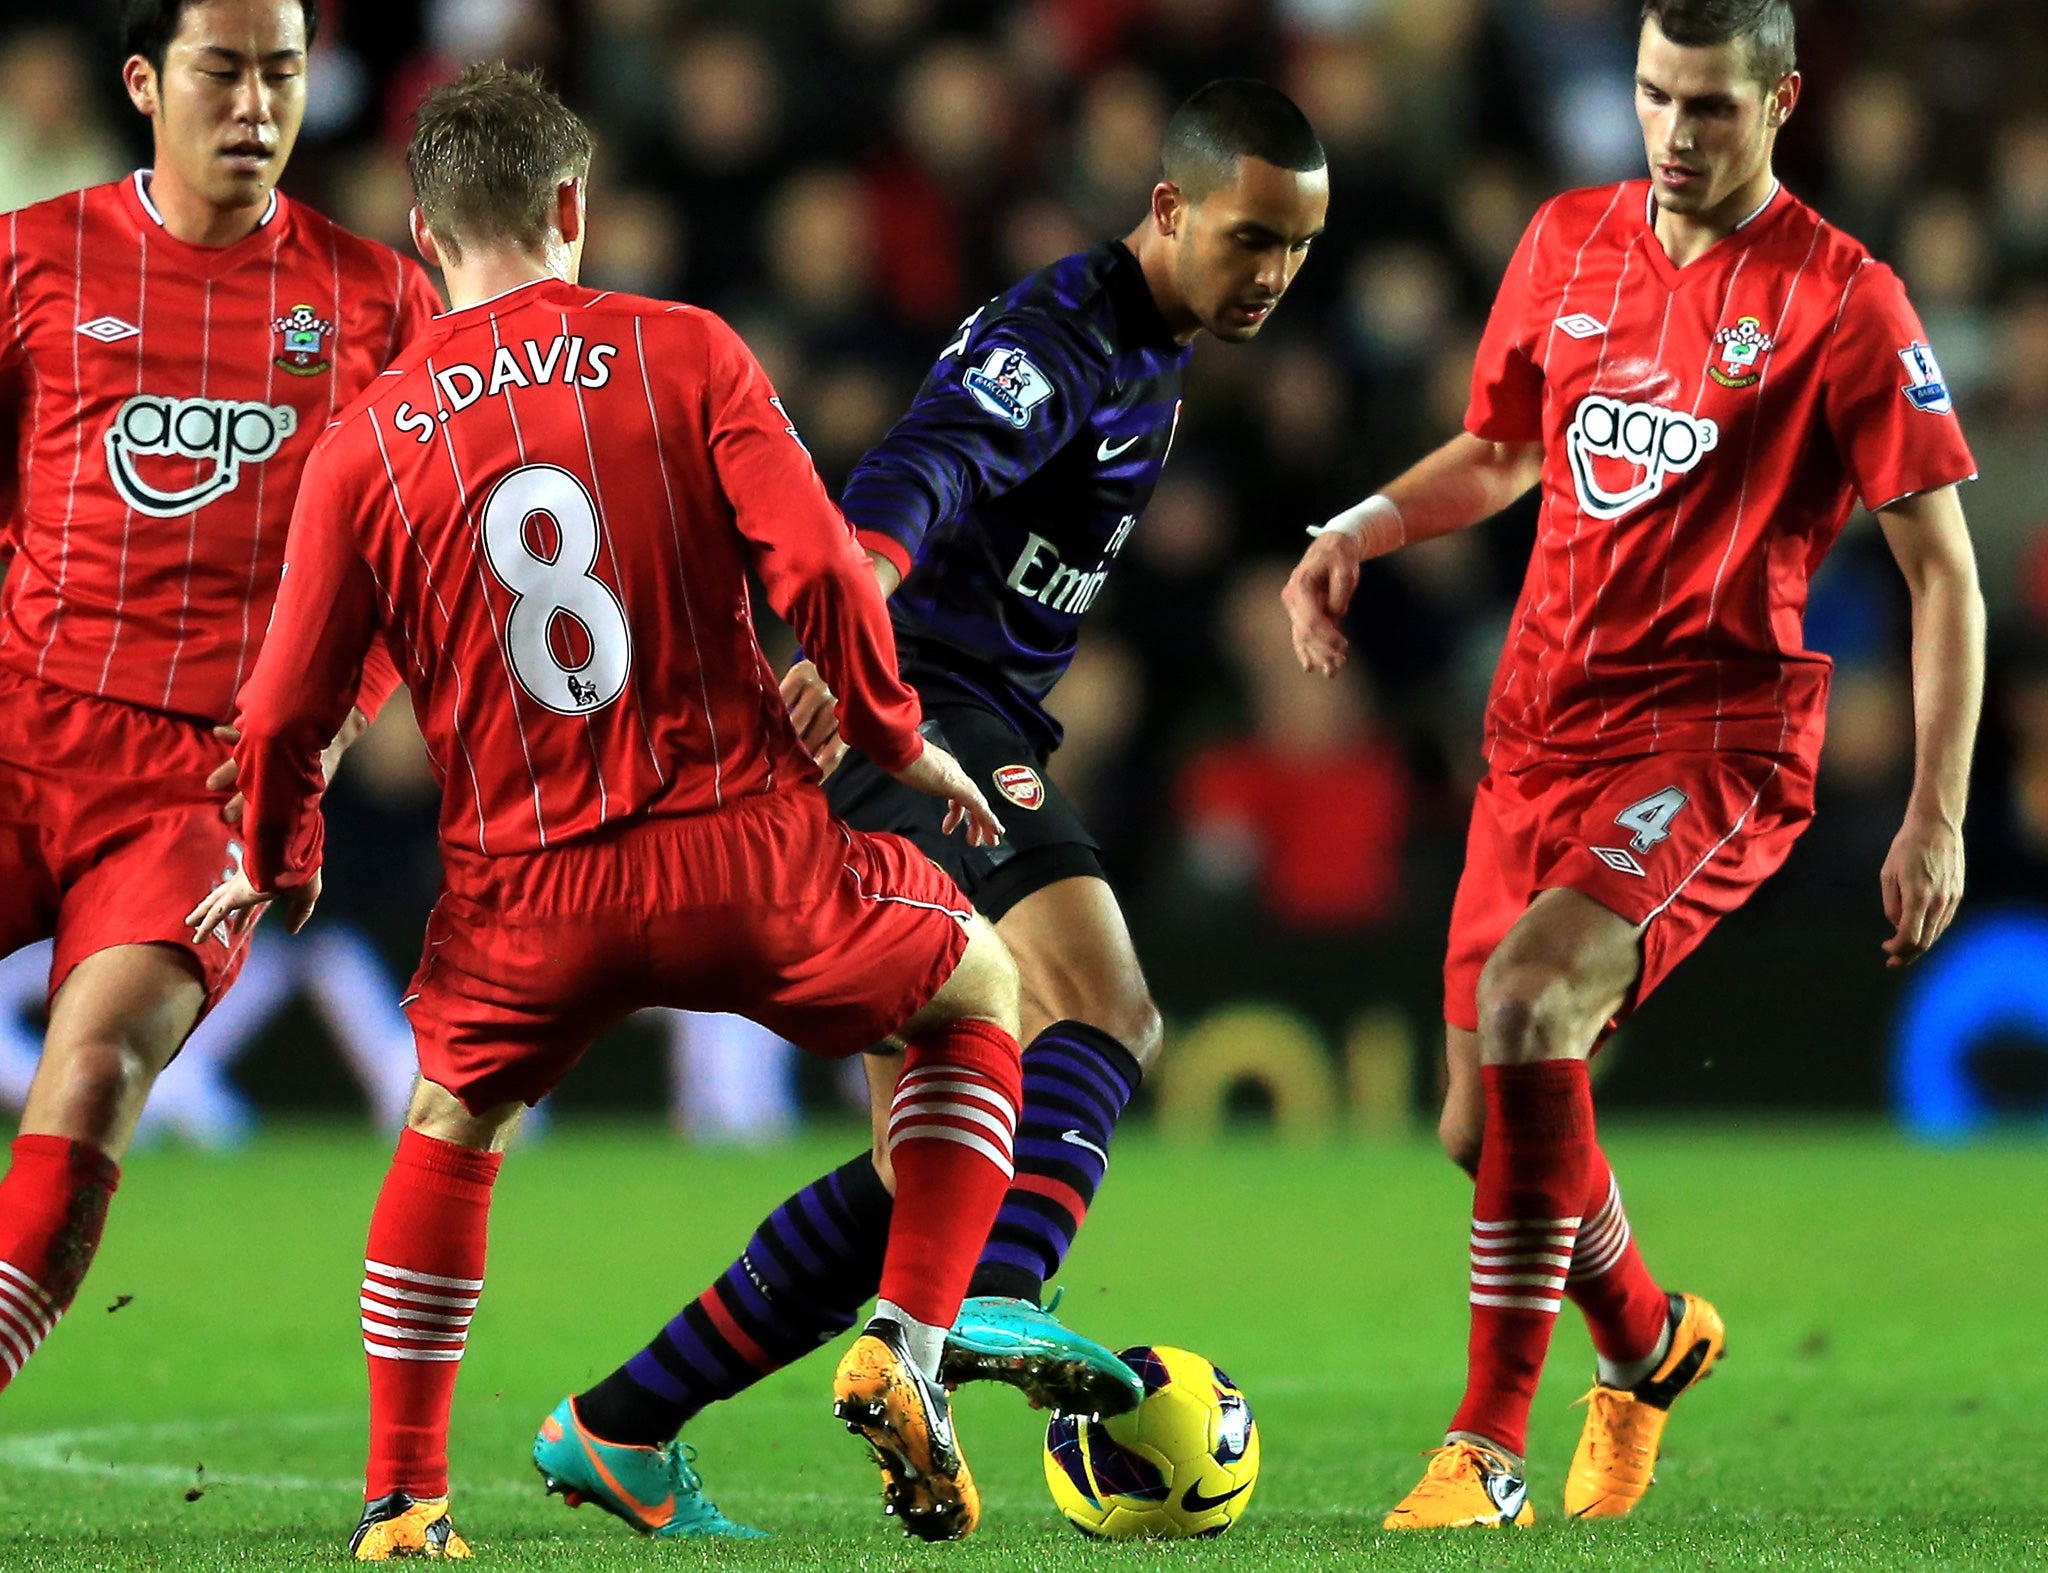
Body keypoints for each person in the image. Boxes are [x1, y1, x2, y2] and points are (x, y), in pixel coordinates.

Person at [187, 63, 1028, 1557]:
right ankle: (905, 1340)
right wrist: (892, 731)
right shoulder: (682, 352)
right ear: (575, 205)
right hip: (745, 856)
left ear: (424, 233)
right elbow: (827, 575)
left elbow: (279, 716)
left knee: (451, 1123)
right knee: (980, 987)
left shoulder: (365, 443)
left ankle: (404, 1503)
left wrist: (274, 856)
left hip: (526, 893)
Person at [534, 77, 1330, 1541]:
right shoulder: (1064, 334)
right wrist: (859, 636)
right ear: (1167, 209)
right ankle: (1003, 1297)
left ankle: (619, 1424)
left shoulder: (1159, 344)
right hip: (913, 705)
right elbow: (923, 469)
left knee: (928, 1161)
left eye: (1296, 247)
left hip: (951, 707)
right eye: (1248, 239)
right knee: (1105, 1006)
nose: (1272, 274)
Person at [1284, 0, 1982, 1530]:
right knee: (1485, 1128)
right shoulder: (1565, 241)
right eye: (1657, 97)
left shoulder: (1845, 300)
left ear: (1783, 100)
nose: (1674, 133)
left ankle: (1487, 1447)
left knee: (1536, 1004)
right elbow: (1502, 448)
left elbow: (1945, 573)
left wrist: (1934, 809)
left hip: (1714, 738)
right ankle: (1651, 1338)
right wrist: (1358, 530)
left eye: (1713, 107)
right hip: (1536, 733)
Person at [0, 0, 438, 1392]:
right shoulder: (32, 260)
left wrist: (307, 743)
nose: (255, 103)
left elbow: (413, 562)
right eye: (221, 69)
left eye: (283, 73)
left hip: (198, 787)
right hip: (18, 725)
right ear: (144, 80)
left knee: (94, 1074)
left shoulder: (376, 302)